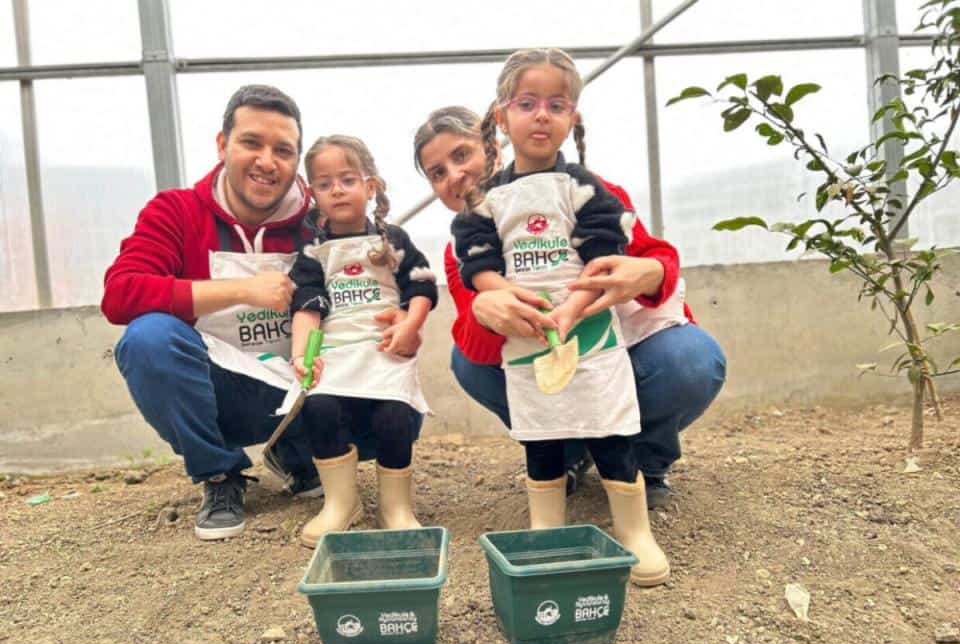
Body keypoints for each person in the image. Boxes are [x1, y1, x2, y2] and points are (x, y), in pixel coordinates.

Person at [101, 85, 413, 541]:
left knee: (401, 406)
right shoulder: (176, 211)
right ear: (222, 144)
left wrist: (404, 315)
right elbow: (121, 294)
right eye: (252, 143)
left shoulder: (322, 220)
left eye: (283, 150)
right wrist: (241, 289)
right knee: (148, 340)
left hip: (309, 382)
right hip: (222, 387)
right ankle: (220, 473)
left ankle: (300, 452)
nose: (267, 161)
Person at [415, 107, 725, 508]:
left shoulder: (587, 191)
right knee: (467, 363)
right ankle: (565, 452)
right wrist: (483, 310)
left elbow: (657, 256)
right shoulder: (463, 252)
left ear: (492, 145)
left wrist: (649, 270)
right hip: (546, 355)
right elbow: (480, 350)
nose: (454, 175)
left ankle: (647, 459)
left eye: (461, 155)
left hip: (617, 349)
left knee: (690, 360)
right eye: (437, 172)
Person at [451, 48, 670, 586]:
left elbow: (602, 253)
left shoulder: (586, 188)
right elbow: (477, 259)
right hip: (525, 338)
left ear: (573, 117)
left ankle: (635, 531)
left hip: (589, 330)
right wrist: (506, 297)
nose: (542, 115)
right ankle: (546, 529)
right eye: (527, 103)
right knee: (540, 434)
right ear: (501, 116)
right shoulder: (485, 200)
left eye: (557, 104)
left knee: (609, 427)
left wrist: (570, 310)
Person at [283, 135, 437, 548]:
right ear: (312, 192)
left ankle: (396, 507)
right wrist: (302, 355)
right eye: (324, 182)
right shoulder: (313, 252)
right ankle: (340, 503)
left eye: (347, 179)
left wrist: (411, 323)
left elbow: (422, 287)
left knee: (393, 415)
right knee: (319, 407)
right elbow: (307, 307)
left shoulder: (394, 241)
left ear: (370, 186)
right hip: (336, 354)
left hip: (385, 351)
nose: (336, 190)